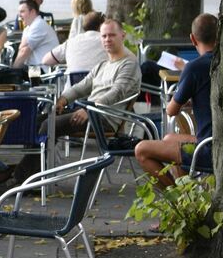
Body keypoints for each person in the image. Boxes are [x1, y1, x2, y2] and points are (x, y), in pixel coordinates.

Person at [13, 19, 141, 184]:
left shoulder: (129, 63)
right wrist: (63, 99)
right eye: (104, 36)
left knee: (49, 125)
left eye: (112, 35)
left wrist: (89, 109)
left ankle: (23, 178)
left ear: (122, 36)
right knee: (37, 120)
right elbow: (82, 86)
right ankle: (34, 173)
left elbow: (116, 93)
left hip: (105, 118)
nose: (107, 39)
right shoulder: (104, 64)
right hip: (91, 112)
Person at [134, 13, 217, 188]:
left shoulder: (194, 67)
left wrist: (181, 99)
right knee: (169, 138)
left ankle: (176, 197)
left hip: (209, 148)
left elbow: (171, 111)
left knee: (141, 150)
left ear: (192, 39)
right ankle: (187, 192)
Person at [42, 11, 107, 76]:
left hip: (74, 81)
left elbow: (46, 60)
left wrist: (69, 58)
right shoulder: (107, 41)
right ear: (101, 26)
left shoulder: (71, 42)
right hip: (99, 81)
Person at [12, 0, 59, 68]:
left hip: (43, 70)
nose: (19, 15)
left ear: (32, 12)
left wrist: (13, 69)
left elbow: (24, 51)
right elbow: (22, 48)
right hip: (34, 68)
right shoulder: (29, 27)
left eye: (22, 11)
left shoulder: (38, 25)